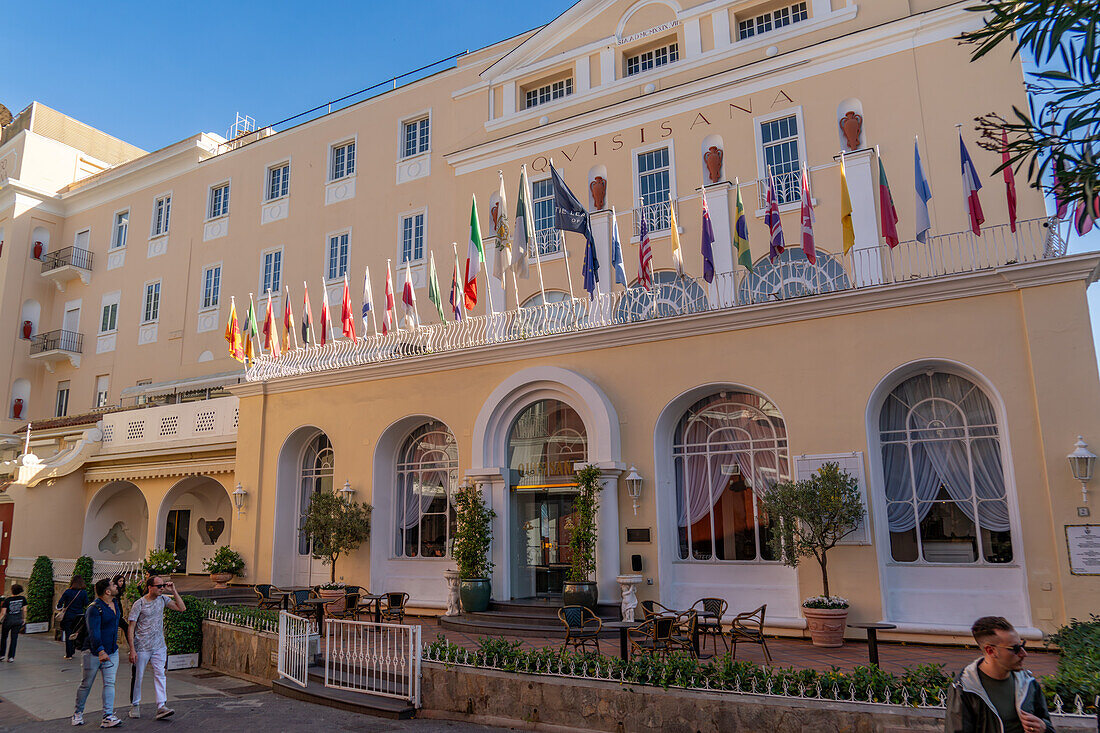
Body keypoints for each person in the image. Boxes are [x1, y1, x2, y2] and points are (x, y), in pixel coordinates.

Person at [945, 616, 1055, 733]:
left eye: (1022, 645)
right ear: (990, 651)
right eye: (1015, 648)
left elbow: (1048, 726)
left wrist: (1044, 728)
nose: (1024, 653)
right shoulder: (965, 688)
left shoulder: (1028, 682)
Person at [126, 575, 184, 720]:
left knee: (160, 674)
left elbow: (181, 608)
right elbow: (131, 626)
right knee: (138, 676)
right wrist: (132, 649)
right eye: (159, 586)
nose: (162, 588)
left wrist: (174, 590)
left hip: (159, 646)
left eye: (163, 586)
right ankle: (135, 704)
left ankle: (161, 705)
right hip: (142, 647)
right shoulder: (139, 604)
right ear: (150, 587)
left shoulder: (163, 599)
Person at [72, 578, 123, 728]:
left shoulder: (115, 604)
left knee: (110, 683)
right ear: (107, 591)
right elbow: (94, 632)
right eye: (114, 585)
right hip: (93, 652)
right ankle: (77, 713)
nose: (117, 586)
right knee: (86, 684)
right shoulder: (94, 608)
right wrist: (100, 650)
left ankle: (107, 716)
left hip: (112, 651)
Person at [57, 576, 90, 659]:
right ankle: (73, 649)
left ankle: (69, 654)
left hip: (69, 616)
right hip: (79, 616)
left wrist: (60, 608)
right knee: (76, 633)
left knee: (68, 634)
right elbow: (86, 604)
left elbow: (59, 604)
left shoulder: (68, 592)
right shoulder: (83, 593)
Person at [0, 584, 27, 662]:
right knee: (14, 638)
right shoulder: (23, 598)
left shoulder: (7, 600)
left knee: (4, 637)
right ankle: (11, 657)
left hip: (8, 620)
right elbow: (24, 610)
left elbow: (3, 613)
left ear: (12, 590)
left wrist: (0, 619)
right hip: (18, 620)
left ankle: (2, 655)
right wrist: (24, 618)